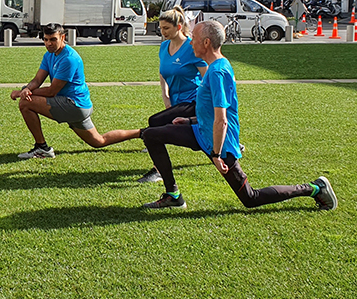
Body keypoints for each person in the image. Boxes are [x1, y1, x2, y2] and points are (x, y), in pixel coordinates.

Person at [141, 20, 337, 211]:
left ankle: (315, 188)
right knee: (151, 134)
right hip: (202, 132)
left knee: (250, 198)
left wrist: (216, 155)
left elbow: (221, 120)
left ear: (207, 43)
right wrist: (189, 120)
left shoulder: (218, 72)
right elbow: (209, 111)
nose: (190, 42)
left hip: (220, 142)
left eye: (195, 38)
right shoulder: (213, 69)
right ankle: (173, 195)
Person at [10, 22, 140, 159]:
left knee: (25, 103)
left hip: (74, 105)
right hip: (78, 105)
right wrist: (27, 89)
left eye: (53, 39)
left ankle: (42, 148)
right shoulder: (49, 55)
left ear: (63, 37)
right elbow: (37, 80)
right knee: (99, 141)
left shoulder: (69, 59)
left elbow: (51, 91)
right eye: (46, 40)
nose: (49, 44)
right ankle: (143, 133)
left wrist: (22, 93)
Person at [137, 6, 207, 183]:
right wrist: (165, 95)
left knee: (155, 123)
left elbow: (208, 77)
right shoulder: (164, 47)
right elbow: (163, 72)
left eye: (166, 28)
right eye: (160, 28)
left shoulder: (191, 47)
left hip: (193, 100)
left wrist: (208, 103)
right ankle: (227, 142)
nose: (163, 32)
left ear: (178, 27)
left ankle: (158, 171)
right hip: (175, 100)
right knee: (192, 135)